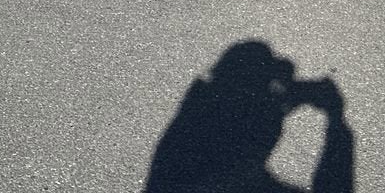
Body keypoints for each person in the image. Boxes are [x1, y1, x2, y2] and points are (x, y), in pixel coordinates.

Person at [144, 41, 354, 192]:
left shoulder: (197, 119)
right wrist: (337, 125)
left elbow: (236, 104)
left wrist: (287, 96)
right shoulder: (237, 171)